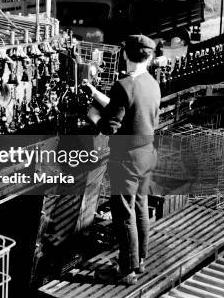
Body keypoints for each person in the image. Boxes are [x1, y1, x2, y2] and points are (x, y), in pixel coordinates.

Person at [84, 35, 161, 285]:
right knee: (140, 207)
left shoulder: (123, 85)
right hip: (147, 154)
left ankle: (125, 271)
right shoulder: (152, 83)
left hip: (126, 159)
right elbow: (130, 106)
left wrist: (93, 116)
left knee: (123, 214)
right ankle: (139, 261)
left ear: (125, 55)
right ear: (149, 56)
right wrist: (96, 93)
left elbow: (110, 127)